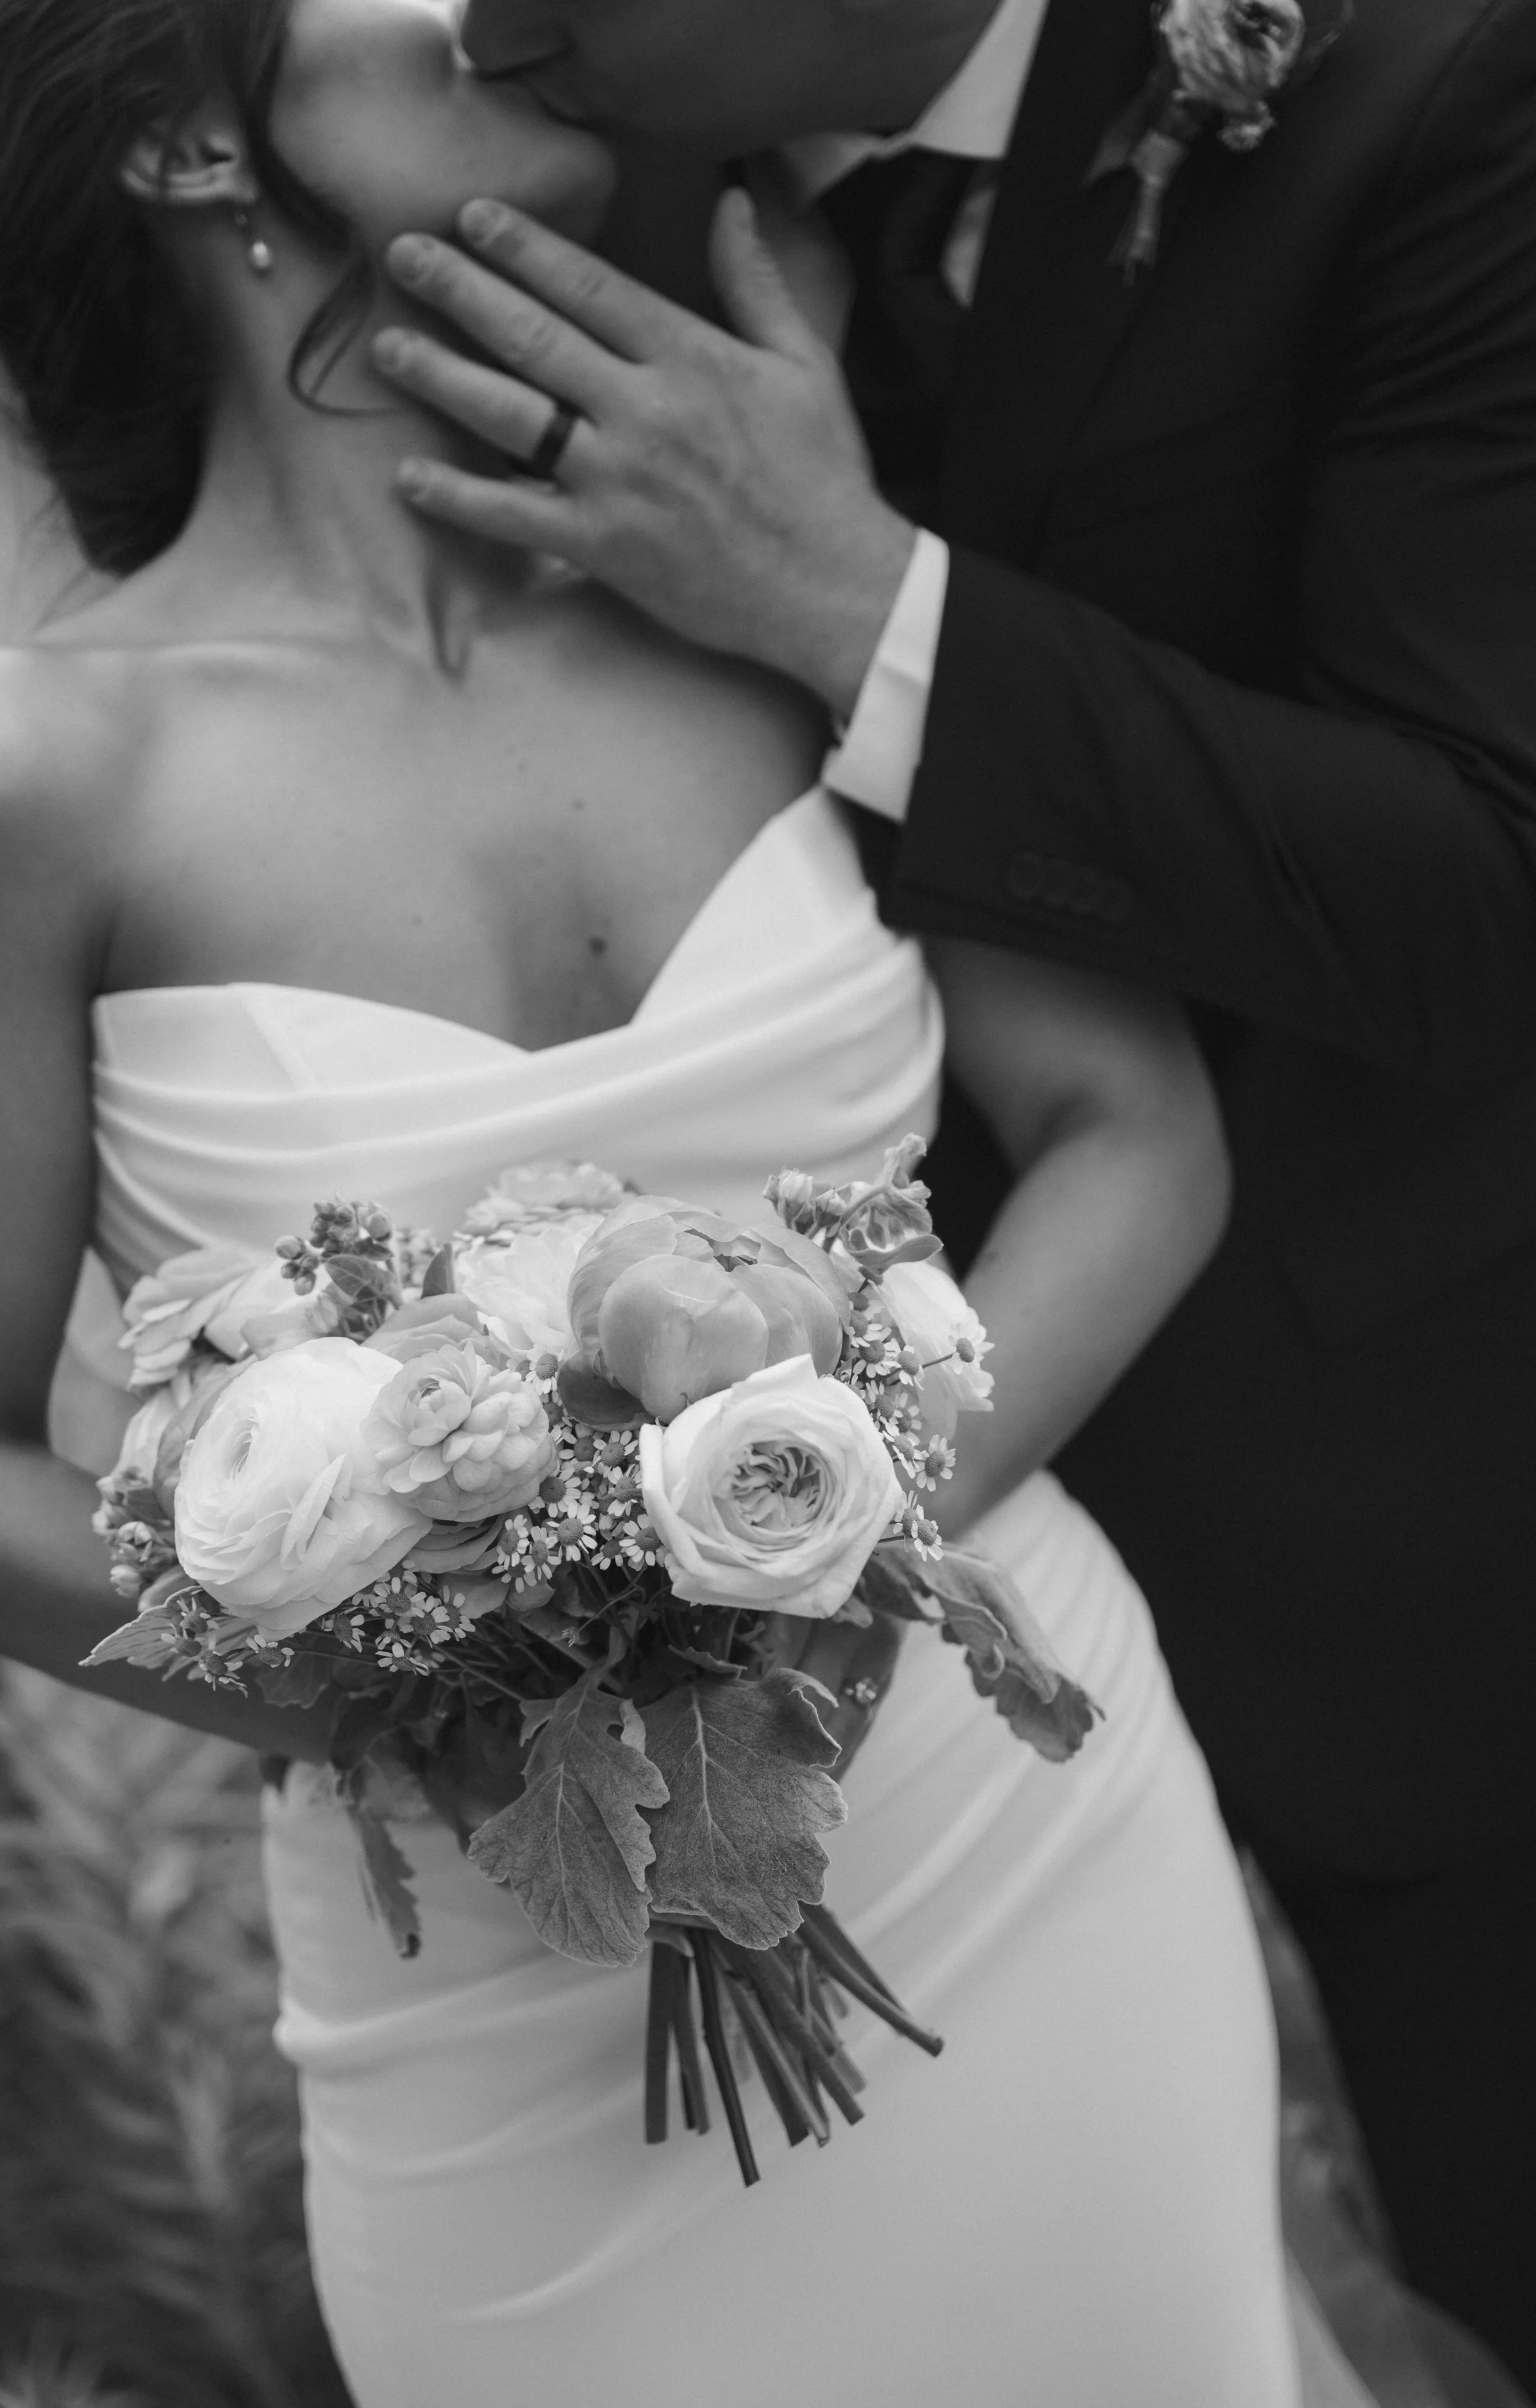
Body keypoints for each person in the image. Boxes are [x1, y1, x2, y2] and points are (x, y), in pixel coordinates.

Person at [0, 3, 1312, 2402]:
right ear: (180, 130)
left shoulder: (764, 574)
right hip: (492, 1958)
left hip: (996, 1822)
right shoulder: (34, 774)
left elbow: (1133, 1133)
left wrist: (818, 1550)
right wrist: (410, 1670)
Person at [363, 0, 1536, 2386]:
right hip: (831, 1706)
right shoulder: (589, 179)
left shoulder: (1431, 90)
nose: (478, 15)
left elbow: (1487, 894)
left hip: (1448, 1553)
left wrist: (854, 602)